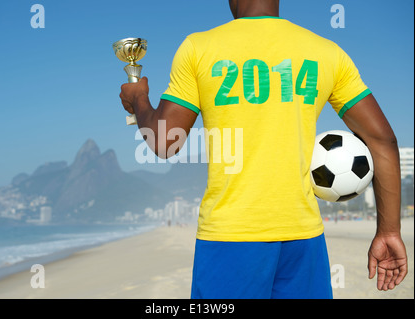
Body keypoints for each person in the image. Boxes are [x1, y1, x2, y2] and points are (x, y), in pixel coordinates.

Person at [119, 0, 408, 298]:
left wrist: (139, 99)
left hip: (229, 237)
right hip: (304, 238)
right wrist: (388, 232)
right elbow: (382, 139)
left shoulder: (198, 47)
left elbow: (164, 141)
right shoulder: (327, 52)